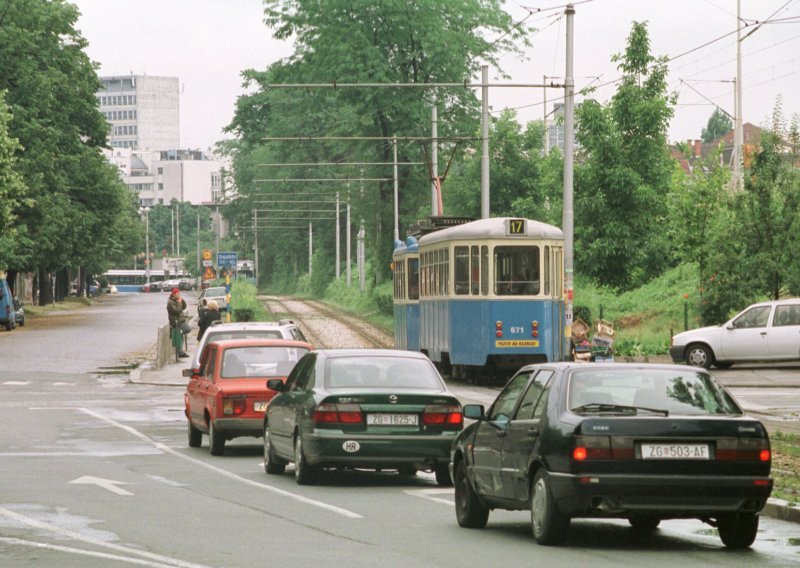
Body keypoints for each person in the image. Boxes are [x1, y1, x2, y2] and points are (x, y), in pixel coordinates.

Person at [167, 287, 190, 358]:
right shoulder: (170, 302)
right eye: (177, 293)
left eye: (179, 293)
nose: (179, 294)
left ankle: (180, 352)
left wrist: (182, 301)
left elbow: (184, 307)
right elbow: (176, 310)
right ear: (173, 294)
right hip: (176, 321)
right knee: (187, 329)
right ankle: (179, 352)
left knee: (180, 337)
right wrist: (179, 303)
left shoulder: (177, 300)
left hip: (180, 320)